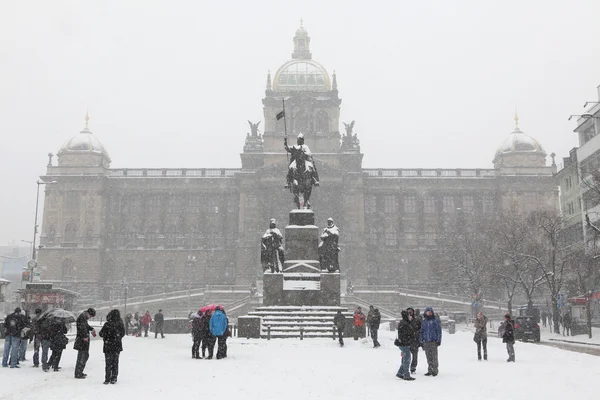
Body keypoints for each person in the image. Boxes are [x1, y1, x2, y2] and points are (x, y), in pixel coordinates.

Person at [99, 309, 125, 384]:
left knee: (108, 363)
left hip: (108, 346)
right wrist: (117, 337)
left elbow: (101, 333)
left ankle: (107, 378)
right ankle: (114, 378)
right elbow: (123, 334)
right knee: (115, 362)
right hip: (117, 346)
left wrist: (107, 337)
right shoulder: (120, 324)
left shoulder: (107, 324)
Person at [74, 307, 96, 379]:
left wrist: (91, 329)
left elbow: (86, 326)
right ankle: (78, 373)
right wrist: (84, 336)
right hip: (82, 340)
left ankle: (79, 371)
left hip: (83, 340)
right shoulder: (82, 318)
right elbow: (82, 328)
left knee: (84, 355)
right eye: (91, 316)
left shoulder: (84, 317)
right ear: (88, 313)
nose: (90, 318)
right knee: (82, 356)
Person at [420, 307, 442, 376]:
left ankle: (435, 370)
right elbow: (422, 331)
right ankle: (430, 369)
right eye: (428, 312)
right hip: (426, 342)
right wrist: (421, 340)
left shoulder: (435, 321)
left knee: (434, 357)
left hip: (433, 341)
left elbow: (439, 331)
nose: (429, 313)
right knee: (428, 357)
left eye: (430, 312)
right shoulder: (424, 321)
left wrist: (438, 340)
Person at [396, 310, 415, 381]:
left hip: (402, 344)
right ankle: (406, 374)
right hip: (405, 344)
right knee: (407, 359)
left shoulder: (402, 323)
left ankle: (400, 372)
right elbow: (408, 334)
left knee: (405, 359)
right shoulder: (405, 324)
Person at [406, 308, 421, 374]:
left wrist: (417, 335)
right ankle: (405, 368)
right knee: (406, 356)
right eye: (408, 312)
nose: (410, 313)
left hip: (414, 341)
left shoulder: (417, 320)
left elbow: (420, 329)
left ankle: (413, 368)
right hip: (407, 341)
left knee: (414, 356)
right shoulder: (405, 320)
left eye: (411, 312)